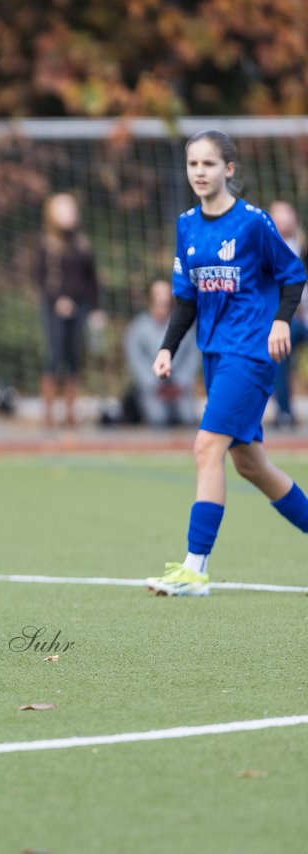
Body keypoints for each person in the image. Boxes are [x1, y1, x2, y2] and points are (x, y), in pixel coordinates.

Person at [147, 130, 308, 597]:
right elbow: (184, 300)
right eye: (193, 164)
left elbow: (293, 275)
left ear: (229, 170)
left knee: (206, 448)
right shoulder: (186, 226)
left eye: (209, 164)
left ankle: (195, 569)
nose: (200, 172)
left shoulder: (254, 223)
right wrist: (167, 348)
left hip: (252, 354)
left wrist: (280, 322)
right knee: (251, 465)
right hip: (216, 355)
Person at [35, 192, 104, 429]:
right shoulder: (46, 245)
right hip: (54, 309)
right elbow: (40, 279)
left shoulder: (82, 245)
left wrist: (95, 309)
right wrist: (58, 301)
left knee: (74, 357)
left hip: (80, 307)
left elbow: (92, 280)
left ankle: (71, 412)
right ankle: (49, 414)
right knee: (54, 356)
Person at [123, 279, 199, 426]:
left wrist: (181, 382)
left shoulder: (183, 326)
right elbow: (136, 359)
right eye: (158, 295)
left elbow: (193, 355)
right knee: (158, 418)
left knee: (187, 417)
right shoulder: (138, 328)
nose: (162, 299)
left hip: (179, 387)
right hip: (153, 388)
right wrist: (153, 384)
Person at [269, 200, 308, 428]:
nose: (283, 220)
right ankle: (284, 413)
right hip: (284, 319)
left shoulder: (303, 247)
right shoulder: (267, 249)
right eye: (278, 215)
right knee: (279, 348)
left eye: (287, 214)